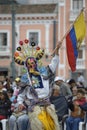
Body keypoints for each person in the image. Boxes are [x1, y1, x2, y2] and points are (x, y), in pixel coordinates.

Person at [9, 39, 61, 130]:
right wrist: (20, 103)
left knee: (52, 126)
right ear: (26, 66)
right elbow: (21, 95)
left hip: (47, 106)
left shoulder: (44, 72)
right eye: (29, 64)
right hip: (34, 108)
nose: (31, 65)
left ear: (36, 63)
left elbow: (54, 63)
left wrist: (57, 51)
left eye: (33, 63)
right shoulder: (25, 78)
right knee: (39, 126)